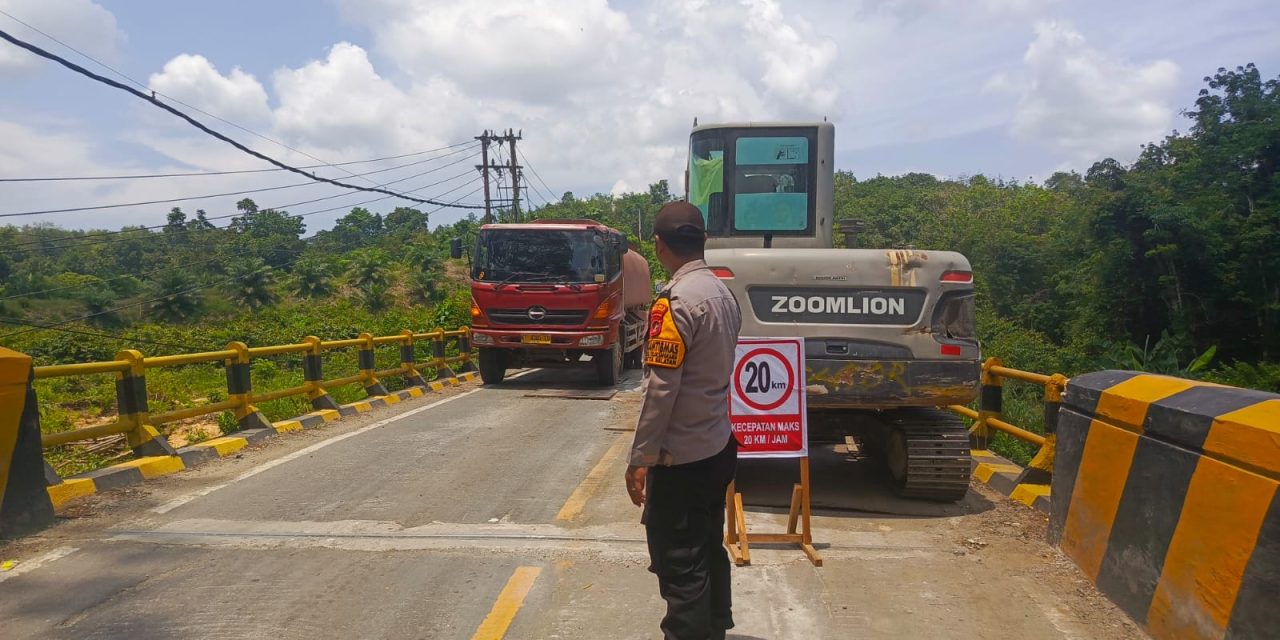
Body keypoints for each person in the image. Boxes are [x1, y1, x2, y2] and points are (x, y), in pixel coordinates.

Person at [626, 201, 742, 640]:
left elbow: (660, 390)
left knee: (680, 563)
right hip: (717, 445)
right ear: (704, 241)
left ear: (658, 245)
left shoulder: (674, 303)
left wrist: (640, 458)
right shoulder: (723, 293)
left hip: (682, 460)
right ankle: (714, 627)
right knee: (708, 545)